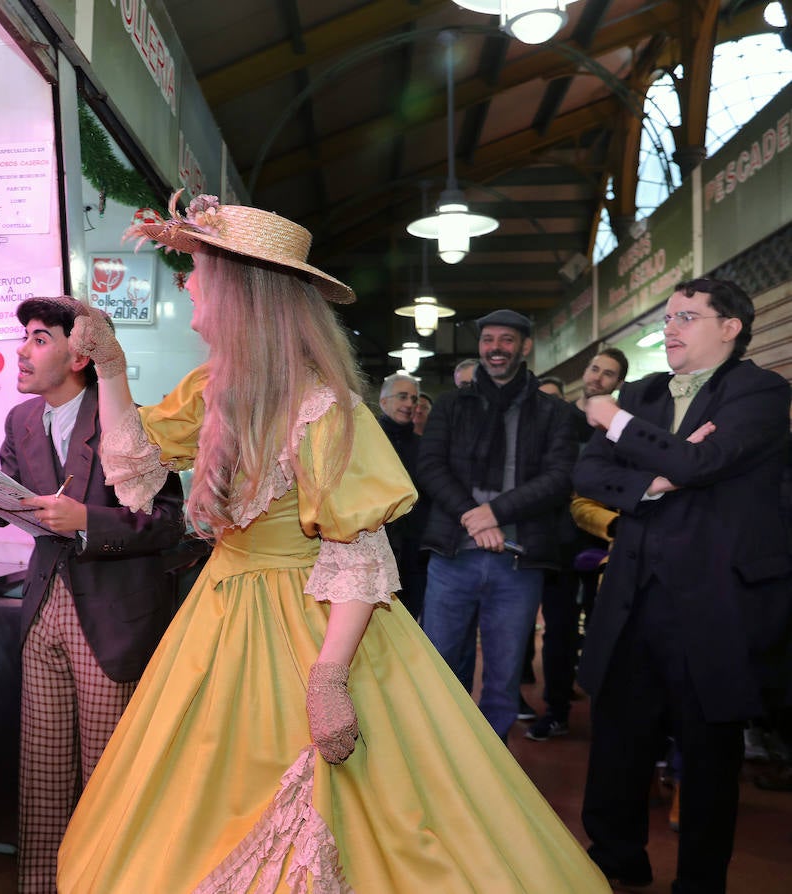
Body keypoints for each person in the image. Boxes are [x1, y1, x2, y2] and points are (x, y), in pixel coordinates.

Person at [57, 194, 607, 892]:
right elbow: (133, 475)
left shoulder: (325, 408)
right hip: (219, 621)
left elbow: (360, 554)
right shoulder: (212, 388)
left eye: (200, 271)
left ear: (243, 294)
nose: (190, 284)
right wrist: (109, 368)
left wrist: (327, 677)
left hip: (312, 624)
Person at [0, 296, 184, 894]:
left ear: (80, 355)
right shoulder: (21, 421)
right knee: (42, 770)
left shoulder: (129, 419)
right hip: (42, 609)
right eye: (26, 338)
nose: (22, 350)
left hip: (112, 615)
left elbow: (171, 523)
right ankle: (39, 885)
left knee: (107, 772)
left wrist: (86, 520)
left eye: (40, 339)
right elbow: (14, 503)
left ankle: (108, 883)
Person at [574, 278, 791, 892]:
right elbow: (587, 470)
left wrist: (616, 423)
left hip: (714, 601)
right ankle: (616, 857)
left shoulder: (760, 392)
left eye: (687, 317)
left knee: (707, 754)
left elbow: (703, 464)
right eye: (668, 317)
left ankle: (699, 881)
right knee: (618, 737)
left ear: (730, 327)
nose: (670, 328)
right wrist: (656, 480)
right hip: (634, 592)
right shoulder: (644, 392)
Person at [417, 309, 576, 742]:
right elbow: (429, 467)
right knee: (442, 664)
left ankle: (495, 771)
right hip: (452, 555)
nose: (495, 348)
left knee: (505, 676)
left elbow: (560, 478)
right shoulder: (451, 405)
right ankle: (443, 755)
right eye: (488, 340)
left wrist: (496, 513)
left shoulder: (554, 413)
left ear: (525, 346)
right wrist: (474, 516)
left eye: (506, 340)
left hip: (519, 563)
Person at [528, 348, 628, 742]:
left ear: (618, 383)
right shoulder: (559, 418)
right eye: (594, 368)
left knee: (609, 630)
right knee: (559, 631)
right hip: (561, 543)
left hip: (610, 540)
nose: (598, 377)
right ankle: (556, 710)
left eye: (609, 374)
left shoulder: (623, 427)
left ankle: (610, 713)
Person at [376, 373, 429, 620]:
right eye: (402, 396)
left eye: (414, 398)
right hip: (376, 545)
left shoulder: (425, 446)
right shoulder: (367, 440)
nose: (409, 404)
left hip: (415, 550)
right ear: (383, 401)